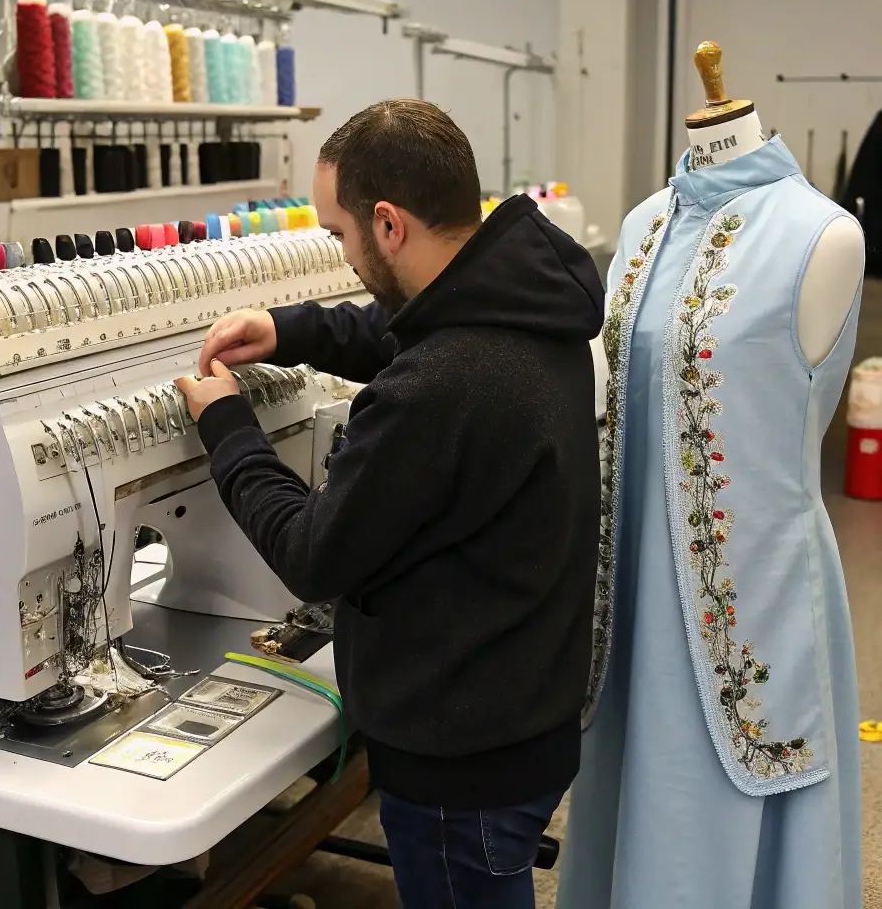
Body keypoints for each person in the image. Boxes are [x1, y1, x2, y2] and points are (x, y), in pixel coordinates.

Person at [177, 99, 604, 909]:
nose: (342, 256)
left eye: (340, 235)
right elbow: (407, 328)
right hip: (525, 709)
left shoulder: (440, 386)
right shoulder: (532, 299)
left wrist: (226, 426)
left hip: (461, 761)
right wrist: (287, 328)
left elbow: (312, 554)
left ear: (388, 222)